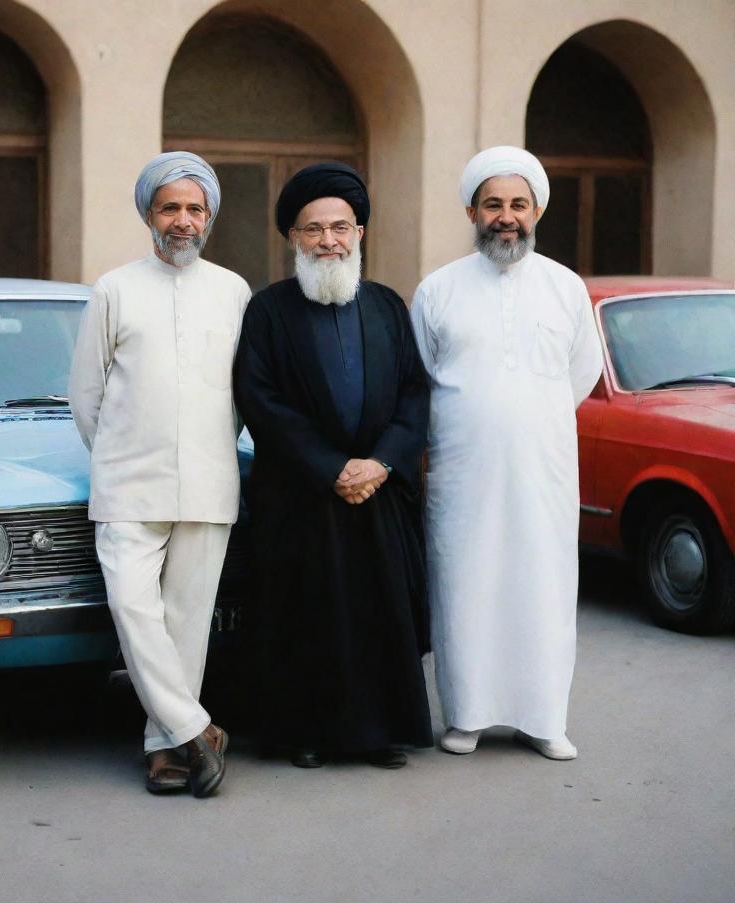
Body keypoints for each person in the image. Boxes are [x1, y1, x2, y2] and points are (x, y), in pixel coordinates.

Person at [233, 162, 433, 769]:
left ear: (360, 234)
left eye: (340, 227)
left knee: (379, 616)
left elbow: (414, 393)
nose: (329, 240)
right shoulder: (268, 311)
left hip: (379, 492)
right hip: (302, 499)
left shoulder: (387, 306)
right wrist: (331, 468)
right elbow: (260, 401)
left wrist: (381, 463)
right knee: (308, 618)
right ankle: (306, 733)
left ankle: (381, 734)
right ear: (293, 237)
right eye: (313, 229)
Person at [409, 145, 603, 760]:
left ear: (537, 209)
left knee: (543, 586)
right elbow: (419, 376)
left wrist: (527, 420)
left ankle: (543, 718)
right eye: (493, 203)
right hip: (463, 470)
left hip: (543, 469)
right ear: (472, 209)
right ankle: (465, 715)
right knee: (464, 586)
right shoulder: (438, 289)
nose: (506, 216)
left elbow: (582, 371)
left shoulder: (566, 288)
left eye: (518, 204)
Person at [69, 152, 251, 796]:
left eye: (194, 209)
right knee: (132, 609)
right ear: (149, 214)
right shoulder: (115, 287)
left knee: (186, 624)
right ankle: (198, 728)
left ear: (210, 218)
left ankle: (165, 749)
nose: (182, 221)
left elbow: (237, 395)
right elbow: (85, 395)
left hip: (208, 482)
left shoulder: (233, 290)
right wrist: (121, 452)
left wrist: (207, 449)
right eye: (169, 207)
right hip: (126, 484)